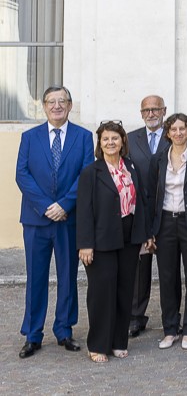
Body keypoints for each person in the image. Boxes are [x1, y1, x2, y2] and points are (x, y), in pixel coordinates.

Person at [16, 86, 94, 358]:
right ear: (44, 106)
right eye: (51, 101)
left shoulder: (84, 137)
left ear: (70, 105)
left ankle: (64, 330)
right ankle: (33, 334)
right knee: (35, 277)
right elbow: (22, 174)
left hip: (68, 219)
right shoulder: (29, 137)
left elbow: (86, 174)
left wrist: (65, 205)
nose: (57, 106)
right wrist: (46, 206)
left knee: (68, 276)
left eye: (62, 101)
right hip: (36, 220)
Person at [76, 121, 154, 363]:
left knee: (124, 290)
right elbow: (84, 210)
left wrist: (146, 234)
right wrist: (85, 244)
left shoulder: (131, 167)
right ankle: (98, 344)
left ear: (122, 142)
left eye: (115, 138)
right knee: (102, 292)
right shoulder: (91, 172)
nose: (110, 142)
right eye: (106, 139)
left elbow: (141, 202)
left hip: (129, 238)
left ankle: (119, 341)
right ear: (100, 144)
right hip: (101, 240)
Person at [150, 113, 187, 350]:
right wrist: (151, 229)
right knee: (167, 278)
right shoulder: (158, 159)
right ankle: (170, 329)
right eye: (173, 129)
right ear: (167, 132)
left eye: (182, 129)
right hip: (165, 222)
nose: (178, 133)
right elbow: (151, 194)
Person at [126, 94, 169, 339]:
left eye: (155, 109)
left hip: (168, 210)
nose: (151, 114)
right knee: (139, 269)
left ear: (164, 111)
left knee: (168, 268)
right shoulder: (130, 139)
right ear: (141, 113)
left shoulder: (175, 134)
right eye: (146, 110)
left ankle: (170, 317)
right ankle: (135, 316)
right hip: (138, 211)